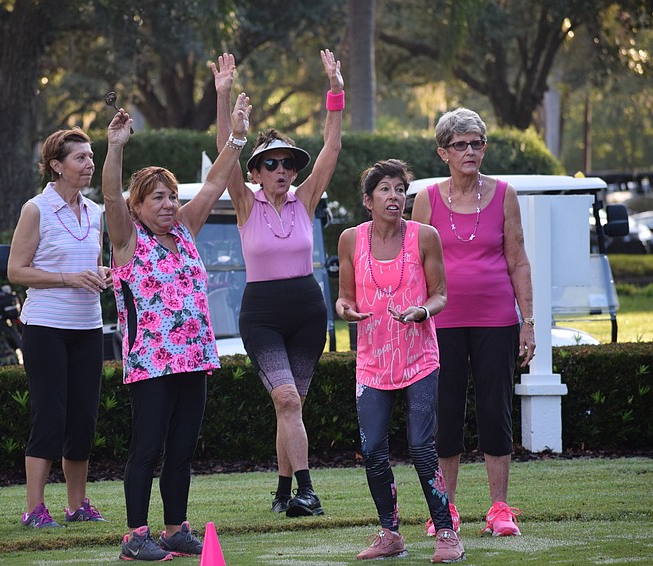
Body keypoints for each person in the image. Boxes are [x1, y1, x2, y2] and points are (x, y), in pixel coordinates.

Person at [102, 93, 251, 561]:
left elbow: (214, 181)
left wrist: (237, 139)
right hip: (150, 364)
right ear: (138, 205)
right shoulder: (127, 238)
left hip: (196, 358)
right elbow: (109, 193)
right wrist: (115, 147)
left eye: (171, 196)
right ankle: (133, 537)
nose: (169, 204)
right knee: (146, 449)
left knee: (183, 449)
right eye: (157, 198)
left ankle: (174, 530)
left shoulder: (185, 228)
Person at [212, 49, 343, 517]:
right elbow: (228, 152)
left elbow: (331, 149)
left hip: (307, 309)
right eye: (271, 164)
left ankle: (283, 493)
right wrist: (223, 97)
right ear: (255, 173)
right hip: (263, 313)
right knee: (286, 398)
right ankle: (308, 492)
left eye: (287, 162)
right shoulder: (246, 204)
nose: (282, 170)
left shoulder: (304, 200)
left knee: (291, 407)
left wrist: (334, 90)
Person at [411, 107, 536, 538]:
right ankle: (444, 512)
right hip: (440, 322)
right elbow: (414, 262)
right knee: (445, 416)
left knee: (495, 412)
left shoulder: (505, 194)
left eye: (477, 143)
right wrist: (412, 314)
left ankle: (500, 510)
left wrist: (528, 322)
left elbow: (518, 260)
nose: (471, 151)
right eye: (461, 144)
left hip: (497, 319)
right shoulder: (426, 197)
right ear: (443, 151)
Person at [336, 159, 464, 563]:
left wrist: (422, 312)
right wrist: (345, 310)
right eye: (386, 190)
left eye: (400, 190)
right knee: (373, 450)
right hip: (373, 363)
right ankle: (390, 534)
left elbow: (440, 293)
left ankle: (446, 532)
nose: (395, 197)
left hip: (419, 360)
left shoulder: (425, 237)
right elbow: (344, 297)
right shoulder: (350, 240)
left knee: (421, 447)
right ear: (367, 200)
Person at [8, 127, 111, 528]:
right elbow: (16, 270)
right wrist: (69, 277)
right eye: (80, 158)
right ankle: (34, 509)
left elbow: (96, 262)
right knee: (49, 415)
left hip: (88, 327)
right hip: (46, 327)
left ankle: (77, 506)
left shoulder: (97, 211)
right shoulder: (36, 208)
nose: (89, 164)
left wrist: (103, 273)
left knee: (83, 419)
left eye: (90, 156)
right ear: (56, 165)